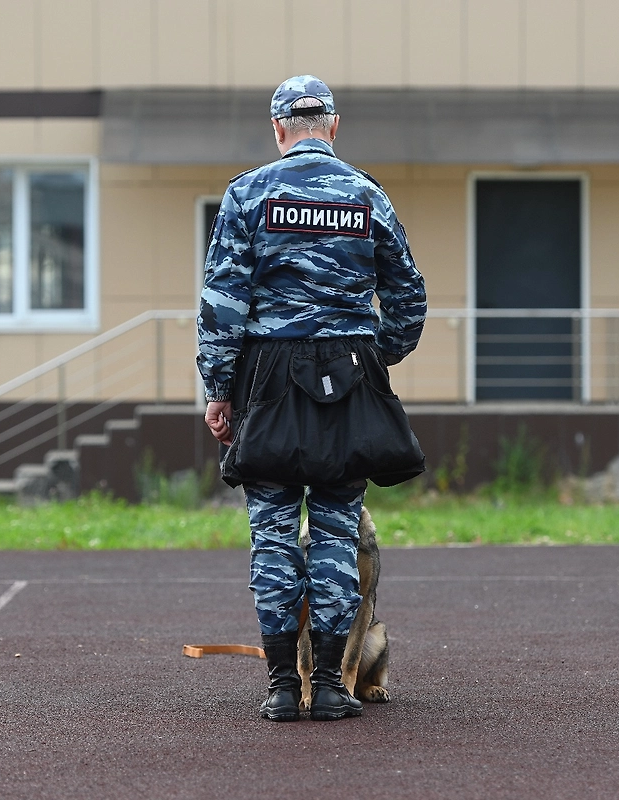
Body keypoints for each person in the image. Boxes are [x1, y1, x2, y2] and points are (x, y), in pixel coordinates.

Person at [196, 75, 426, 722]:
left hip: (267, 382)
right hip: (348, 378)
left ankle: (278, 688)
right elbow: (409, 298)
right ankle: (328, 685)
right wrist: (376, 358)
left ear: (278, 130)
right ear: (332, 125)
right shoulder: (367, 195)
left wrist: (219, 389)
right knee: (333, 530)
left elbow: (222, 307)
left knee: (271, 535)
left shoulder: (247, 194)